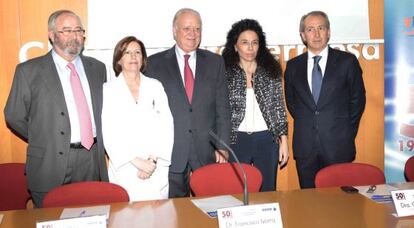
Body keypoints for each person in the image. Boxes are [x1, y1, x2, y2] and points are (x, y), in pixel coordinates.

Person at [4, 10, 108, 207]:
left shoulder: (98, 69)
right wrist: (46, 138)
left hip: (92, 160)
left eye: (78, 30)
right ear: (51, 35)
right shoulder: (29, 71)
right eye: (66, 30)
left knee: (94, 217)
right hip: (50, 163)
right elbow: (14, 115)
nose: (74, 36)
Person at [145, 8, 231, 197]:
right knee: (176, 214)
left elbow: (223, 108)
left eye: (197, 29)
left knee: (211, 210)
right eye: (187, 28)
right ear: (174, 30)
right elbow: (147, 114)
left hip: (207, 150)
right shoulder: (153, 64)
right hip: (171, 152)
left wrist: (222, 146)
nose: (193, 34)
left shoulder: (215, 62)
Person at [284, 11, 366, 188]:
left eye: (321, 28)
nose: (316, 34)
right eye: (310, 29)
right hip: (306, 147)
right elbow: (292, 103)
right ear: (303, 35)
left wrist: (344, 131)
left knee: (339, 205)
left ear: (328, 32)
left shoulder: (347, 62)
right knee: (308, 204)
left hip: (338, 145)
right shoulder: (292, 66)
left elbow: (358, 101)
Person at [102, 36, 173, 201]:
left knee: (159, 219)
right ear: (119, 59)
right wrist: (136, 161)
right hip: (126, 168)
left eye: (137, 52)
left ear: (143, 58)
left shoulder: (155, 86)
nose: (133, 57)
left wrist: (152, 161)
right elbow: (108, 132)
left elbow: (166, 126)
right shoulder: (108, 90)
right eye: (127, 52)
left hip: (155, 167)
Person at [222, 19, 289, 192]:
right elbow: (219, 111)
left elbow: (278, 108)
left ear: (260, 46)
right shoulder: (223, 72)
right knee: (237, 191)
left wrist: (284, 141)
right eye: (244, 43)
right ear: (235, 46)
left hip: (266, 139)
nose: (250, 48)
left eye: (254, 43)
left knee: (267, 191)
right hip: (236, 140)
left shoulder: (270, 71)